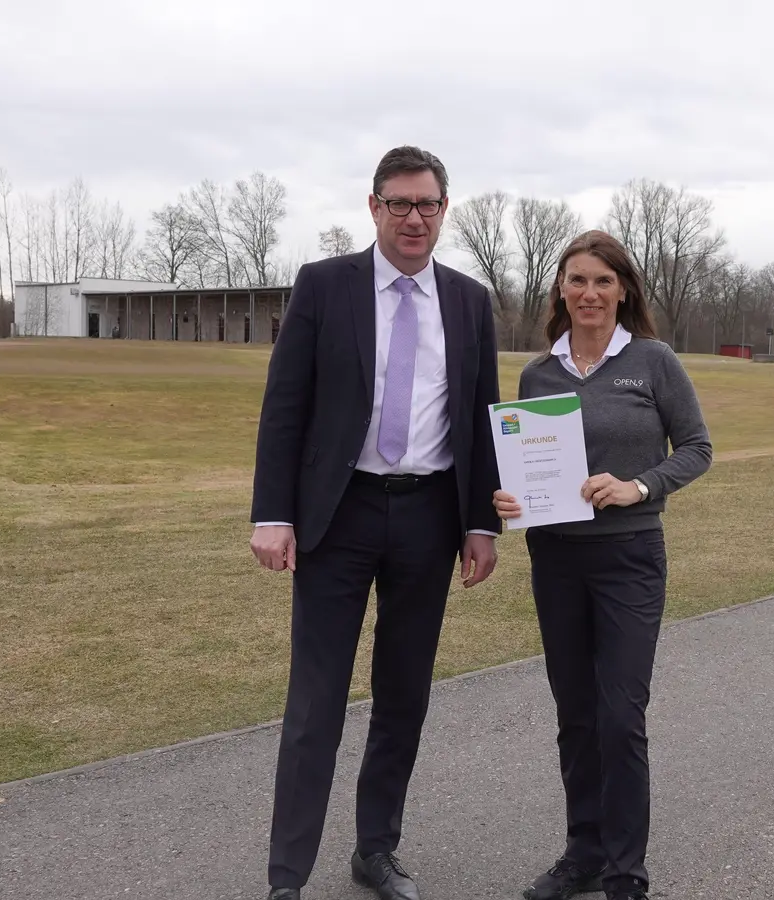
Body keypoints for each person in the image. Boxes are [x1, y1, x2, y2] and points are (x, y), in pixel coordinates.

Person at [249, 145, 503, 900]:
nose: (414, 218)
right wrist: (273, 513)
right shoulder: (325, 286)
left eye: (427, 204)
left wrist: (481, 524)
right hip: (340, 515)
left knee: (403, 696)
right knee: (315, 703)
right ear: (374, 208)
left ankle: (376, 851)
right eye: (399, 204)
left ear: (444, 210)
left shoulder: (468, 300)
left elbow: (483, 417)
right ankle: (287, 876)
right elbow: (285, 406)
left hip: (429, 516)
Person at [493, 230, 713, 900]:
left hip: (628, 557)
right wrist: (506, 496)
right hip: (555, 559)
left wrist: (637, 485)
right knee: (577, 716)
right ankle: (582, 855)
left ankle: (625, 873)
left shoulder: (652, 361)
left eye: (603, 282)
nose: (589, 293)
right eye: (578, 280)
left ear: (624, 291)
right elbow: (530, 463)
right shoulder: (540, 372)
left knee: (620, 716)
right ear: (560, 288)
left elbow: (697, 448)